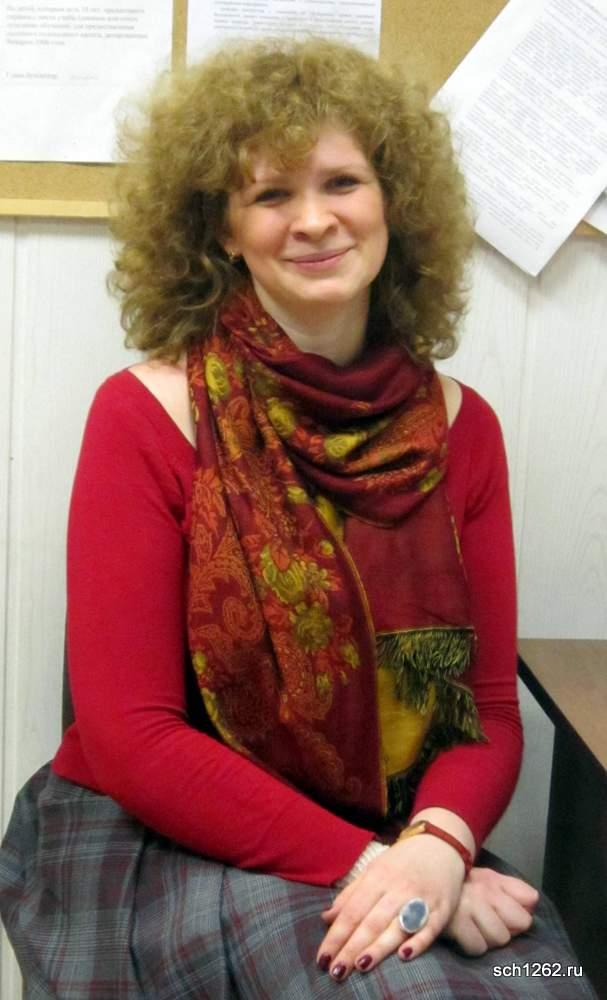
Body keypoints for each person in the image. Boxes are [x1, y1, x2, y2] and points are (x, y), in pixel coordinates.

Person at [0, 37, 596, 999]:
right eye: (271, 194)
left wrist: (440, 847)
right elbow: (132, 736)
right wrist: (377, 869)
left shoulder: (463, 430)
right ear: (222, 231)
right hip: (162, 829)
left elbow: (482, 713)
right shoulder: (146, 415)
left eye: (342, 182)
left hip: (401, 830)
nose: (314, 219)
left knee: (540, 980)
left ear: (393, 204)